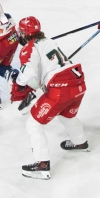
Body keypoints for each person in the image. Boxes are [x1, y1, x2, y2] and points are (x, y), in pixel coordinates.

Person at [12, 16, 88, 180]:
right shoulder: (48, 41)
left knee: (33, 123)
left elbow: (27, 72)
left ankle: (42, 165)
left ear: (25, 33)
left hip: (61, 89)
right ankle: (79, 142)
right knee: (68, 115)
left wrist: (19, 84)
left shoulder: (29, 48)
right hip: (78, 84)